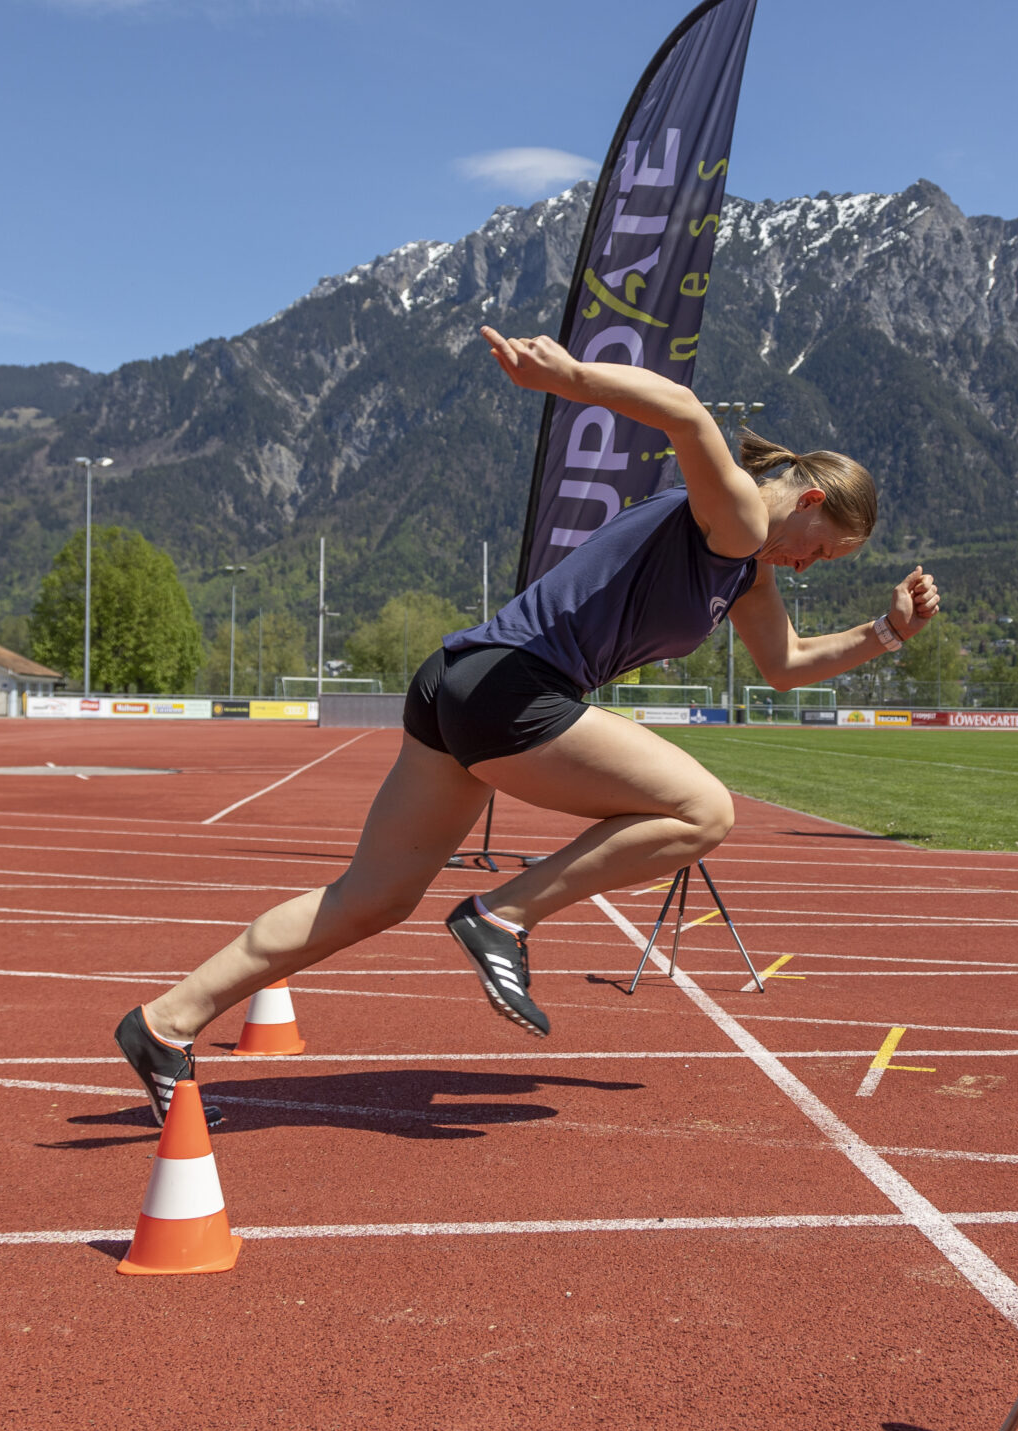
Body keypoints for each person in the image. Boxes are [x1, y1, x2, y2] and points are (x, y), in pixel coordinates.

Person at [114, 325, 941, 1123]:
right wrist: (569, 379)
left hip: (459, 680)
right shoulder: (740, 519)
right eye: (821, 549)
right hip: (514, 686)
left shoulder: (746, 572)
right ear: (809, 500)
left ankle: (165, 1023)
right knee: (704, 810)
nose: (807, 565)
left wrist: (886, 633)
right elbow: (687, 412)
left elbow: (786, 664)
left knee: (370, 898)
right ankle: (502, 914)